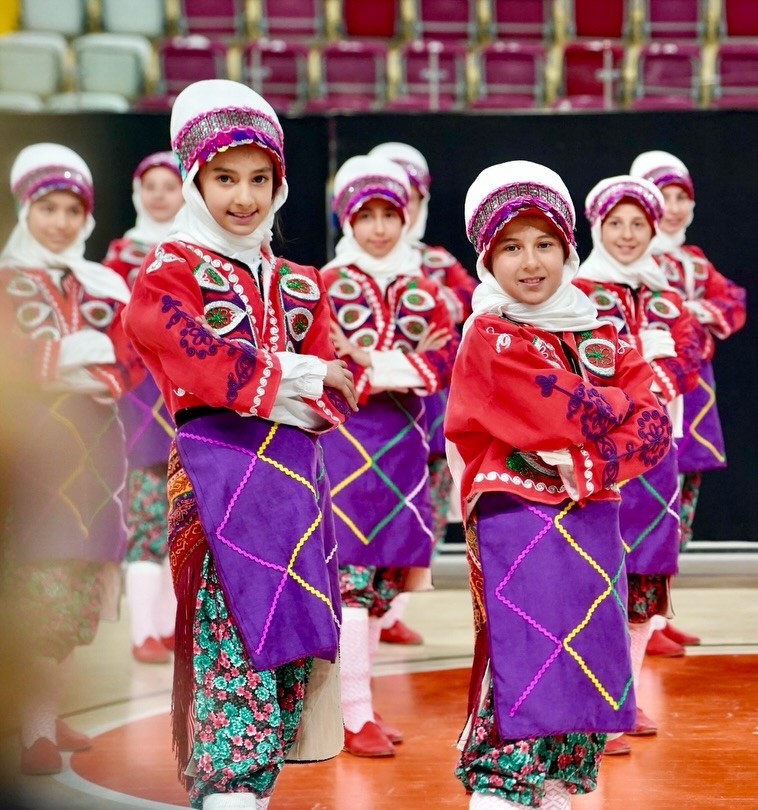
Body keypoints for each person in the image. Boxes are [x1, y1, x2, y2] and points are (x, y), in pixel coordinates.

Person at [124, 79, 358, 810]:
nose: (245, 196)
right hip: (216, 483)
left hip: (294, 491)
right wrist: (296, 375)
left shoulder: (302, 284)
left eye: (261, 179)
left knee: (286, 645)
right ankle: (230, 791)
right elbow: (189, 357)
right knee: (231, 640)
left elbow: (337, 393)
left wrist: (302, 382)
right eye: (225, 177)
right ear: (194, 178)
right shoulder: (169, 273)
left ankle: (247, 793)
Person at [446, 160, 670, 809]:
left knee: (574, 685)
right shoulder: (488, 334)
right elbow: (559, 409)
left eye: (545, 243)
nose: (531, 261)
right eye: (511, 246)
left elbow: (656, 424)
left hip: (592, 518)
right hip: (515, 519)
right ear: (488, 257)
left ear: (568, 246)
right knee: (524, 674)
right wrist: (621, 403)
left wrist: (602, 451)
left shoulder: (600, 328)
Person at [0, 143, 134, 776]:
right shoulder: (7, 281)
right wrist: (83, 352)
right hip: (35, 454)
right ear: (26, 209)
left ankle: (49, 711)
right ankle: (34, 731)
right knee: (42, 583)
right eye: (47, 207)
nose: (59, 221)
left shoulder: (105, 283)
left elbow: (130, 361)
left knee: (80, 583)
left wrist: (72, 358)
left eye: (71, 209)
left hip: (97, 452)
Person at [319, 155, 456, 757]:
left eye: (389, 214)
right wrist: (392, 365)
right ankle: (352, 714)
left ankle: (357, 705)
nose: (378, 227)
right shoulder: (324, 283)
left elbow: (446, 359)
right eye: (366, 215)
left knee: (380, 579)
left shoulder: (422, 287)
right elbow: (329, 363)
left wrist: (376, 361)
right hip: (346, 447)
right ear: (348, 218)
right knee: (350, 576)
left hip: (403, 449)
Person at [574, 174, 704, 751]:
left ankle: (621, 697)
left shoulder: (666, 297)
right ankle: (593, 701)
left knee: (645, 579)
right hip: (599, 457)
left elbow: (690, 362)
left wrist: (637, 377)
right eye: (616, 222)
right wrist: (643, 371)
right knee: (598, 578)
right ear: (597, 226)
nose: (627, 235)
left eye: (638, 224)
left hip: (657, 462)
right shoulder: (575, 295)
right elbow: (583, 374)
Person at [630, 150, 747, 654]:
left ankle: (658, 614)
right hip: (647, 395)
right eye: (664, 196)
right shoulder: (632, 262)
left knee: (679, 508)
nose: (674, 207)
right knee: (648, 504)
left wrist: (693, 311)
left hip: (693, 395)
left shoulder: (694, 261)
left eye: (682, 197)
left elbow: (732, 303)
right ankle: (642, 620)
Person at [370, 142, 475, 647]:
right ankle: (372, 608)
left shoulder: (433, 261)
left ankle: (392, 608)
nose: (400, 210)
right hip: (376, 413)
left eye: (409, 197)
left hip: (436, 403)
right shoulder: (353, 268)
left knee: (426, 510)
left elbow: (476, 299)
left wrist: (440, 306)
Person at [103, 150, 185, 664]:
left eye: (169, 184)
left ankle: (173, 628)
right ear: (137, 193)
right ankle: (143, 633)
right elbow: (112, 334)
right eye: (149, 184)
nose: (159, 194)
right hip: (139, 404)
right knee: (148, 514)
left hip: (190, 400)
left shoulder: (194, 252)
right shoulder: (117, 260)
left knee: (184, 518)